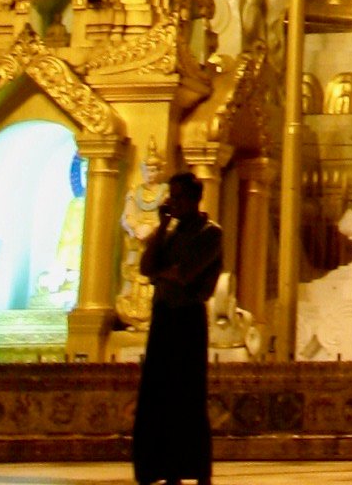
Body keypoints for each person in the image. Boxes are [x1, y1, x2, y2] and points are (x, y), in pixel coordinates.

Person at [132, 168, 224, 485]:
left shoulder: (210, 233)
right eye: (172, 196)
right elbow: (147, 268)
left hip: (187, 318)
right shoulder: (168, 233)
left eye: (179, 196)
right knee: (159, 394)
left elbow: (185, 273)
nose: (174, 202)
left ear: (194, 198)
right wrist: (160, 227)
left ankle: (196, 468)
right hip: (164, 316)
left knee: (187, 395)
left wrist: (165, 272)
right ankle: (163, 468)